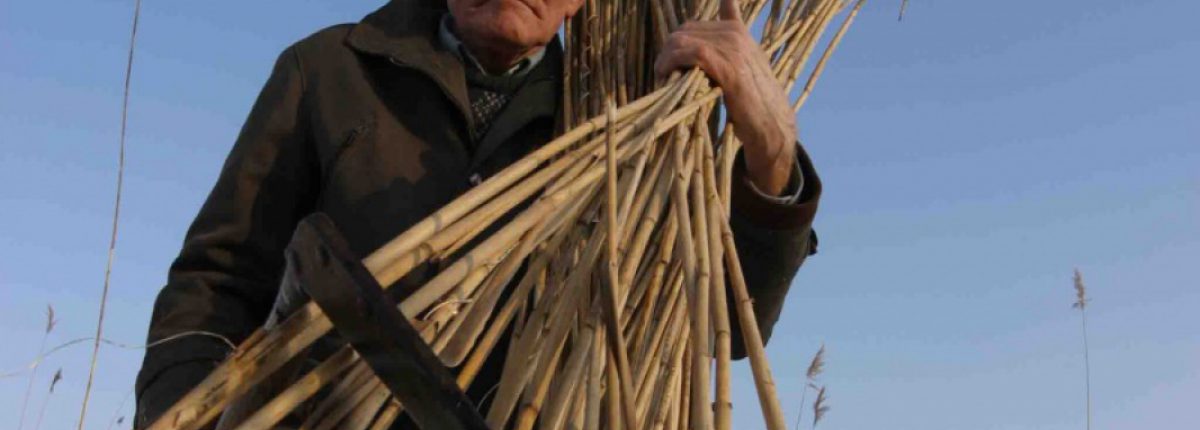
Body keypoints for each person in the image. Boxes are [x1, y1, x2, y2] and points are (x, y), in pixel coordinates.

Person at [135, 0, 821, 426]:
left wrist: (770, 156)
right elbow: (215, 286)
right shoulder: (330, 71)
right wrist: (183, 414)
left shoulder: (629, 125)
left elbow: (723, 329)